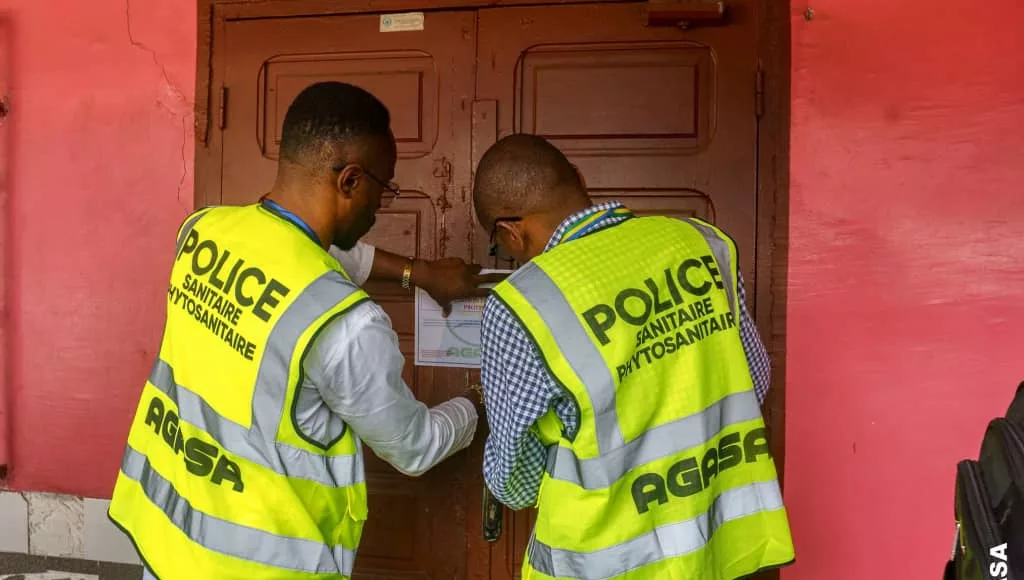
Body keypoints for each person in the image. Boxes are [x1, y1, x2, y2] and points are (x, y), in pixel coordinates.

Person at [109, 81, 485, 580]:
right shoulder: (347, 323)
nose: (382, 204)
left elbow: (306, 252)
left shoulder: (202, 231)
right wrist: (476, 403)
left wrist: (420, 273)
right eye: (385, 187)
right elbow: (414, 446)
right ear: (351, 180)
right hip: (256, 567)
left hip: (168, 538)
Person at [474, 134, 795, 579]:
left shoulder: (523, 303)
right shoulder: (702, 243)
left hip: (608, 564)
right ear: (579, 179)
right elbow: (752, 381)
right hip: (716, 546)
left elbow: (516, 483)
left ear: (511, 232)